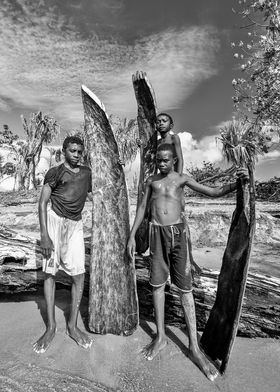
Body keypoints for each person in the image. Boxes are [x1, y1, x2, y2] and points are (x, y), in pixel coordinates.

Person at [127, 143, 248, 381]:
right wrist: (132, 236)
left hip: (178, 235)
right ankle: (160, 336)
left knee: (185, 289)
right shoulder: (151, 181)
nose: (161, 164)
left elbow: (212, 192)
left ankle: (194, 346)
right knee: (157, 286)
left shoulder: (182, 179)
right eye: (158, 160)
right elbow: (142, 208)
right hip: (156, 234)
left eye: (165, 160)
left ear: (173, 160)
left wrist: (237, 184)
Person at [33, 136, 97, 353]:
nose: (77, 155)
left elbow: (94, 191)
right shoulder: (55, 172)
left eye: (80, 151)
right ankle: (51, 327)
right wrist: (44, 235)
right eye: (73, 151)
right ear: (64, 151)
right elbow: (42, 203)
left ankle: (72, 325)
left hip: (75, 225)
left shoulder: (87, 173)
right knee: (50, 274)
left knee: (78, 275)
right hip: (54, 222)